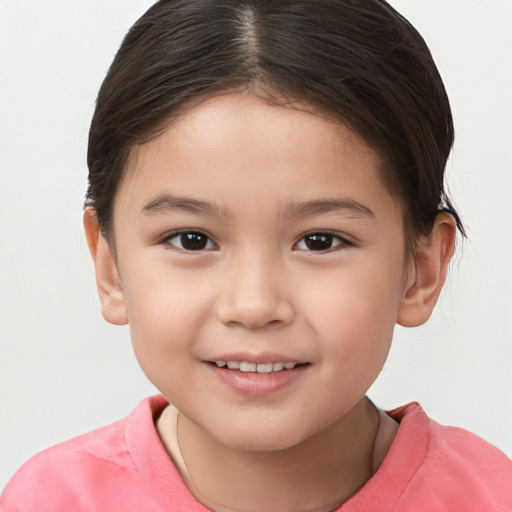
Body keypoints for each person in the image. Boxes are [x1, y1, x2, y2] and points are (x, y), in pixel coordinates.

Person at [1, 0, 511, 510]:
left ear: (420, 271)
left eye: (320, 240)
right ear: (110, 268)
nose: (253, 305)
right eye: (191, 239)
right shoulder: (49, 500)